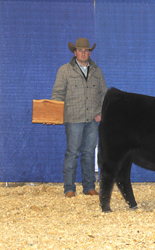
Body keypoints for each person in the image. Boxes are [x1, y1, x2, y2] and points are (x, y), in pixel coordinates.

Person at [49, 38, 108, 198]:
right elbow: (57, 94)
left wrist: (100, 112)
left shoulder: (97, 71)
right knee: (72, 153)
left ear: (90, 52)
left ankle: (89, 187)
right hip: (73, 118)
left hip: (91, 119)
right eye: (80, 50)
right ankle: (69, 189)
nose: (84, 53)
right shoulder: (65, 70)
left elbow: (104, 94)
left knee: (89, 153)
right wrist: (53, 114)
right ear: (75, 52)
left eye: (87, 50)